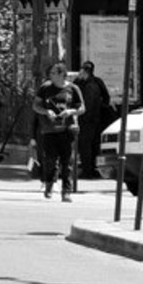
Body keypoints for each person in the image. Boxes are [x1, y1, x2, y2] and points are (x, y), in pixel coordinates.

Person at [34, 62, 83, 200]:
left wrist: (70, 111)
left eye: (54, 73)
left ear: (62, 74)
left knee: (67, 161)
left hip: (67, 129)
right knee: (50, 160)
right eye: (51, 73)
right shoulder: (45, 88)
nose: (51, 75)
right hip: (49, 129)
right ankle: (49, 183)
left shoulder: (73, 89)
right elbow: (35, 105)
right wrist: (46, 111)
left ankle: (66, 192)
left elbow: (82, 108)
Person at [75, 61, 112, 180]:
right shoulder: (95, 82)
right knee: (91, 145)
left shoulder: (83, 82)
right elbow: (106, 98)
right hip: (94, 119)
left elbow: (106, 98)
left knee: (86, 145)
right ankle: (90, 169)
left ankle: (88, 170)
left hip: (87, 119)